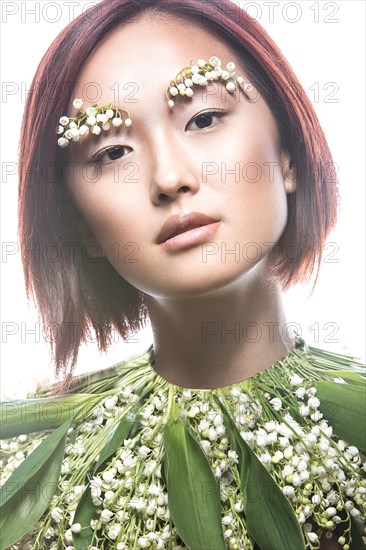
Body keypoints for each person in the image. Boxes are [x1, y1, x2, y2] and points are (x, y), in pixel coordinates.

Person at [0, 0, 365, 549]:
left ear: (288, 153)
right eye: (113, 150)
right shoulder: (30, 475)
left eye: (204, 118)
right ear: (78, 226)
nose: (170, 178)